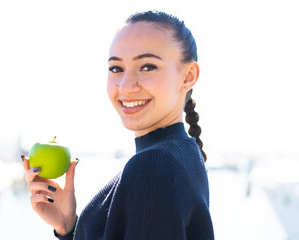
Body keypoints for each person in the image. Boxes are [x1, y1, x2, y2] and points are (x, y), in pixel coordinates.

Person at [22, 10, 215, 240]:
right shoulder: (182, 155)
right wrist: (68, 227)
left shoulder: (155, 166)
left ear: (188, 76)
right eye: (116, 69)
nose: (125, 86)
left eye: (147, 66)